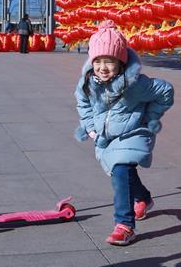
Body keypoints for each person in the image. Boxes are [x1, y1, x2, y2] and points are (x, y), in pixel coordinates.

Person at [74, 21, 174, 246]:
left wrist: (150, 117)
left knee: (120, 169)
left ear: (121, 61)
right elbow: (83, 102)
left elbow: (166, 91)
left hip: (133, 131)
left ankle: (124, 224)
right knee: (122, 172)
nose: (103, 67)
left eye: (108, 61)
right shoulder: (88, 83)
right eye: (98, 61)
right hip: (105, 136)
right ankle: (144, 198)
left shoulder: (136, 84)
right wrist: (90, 126)